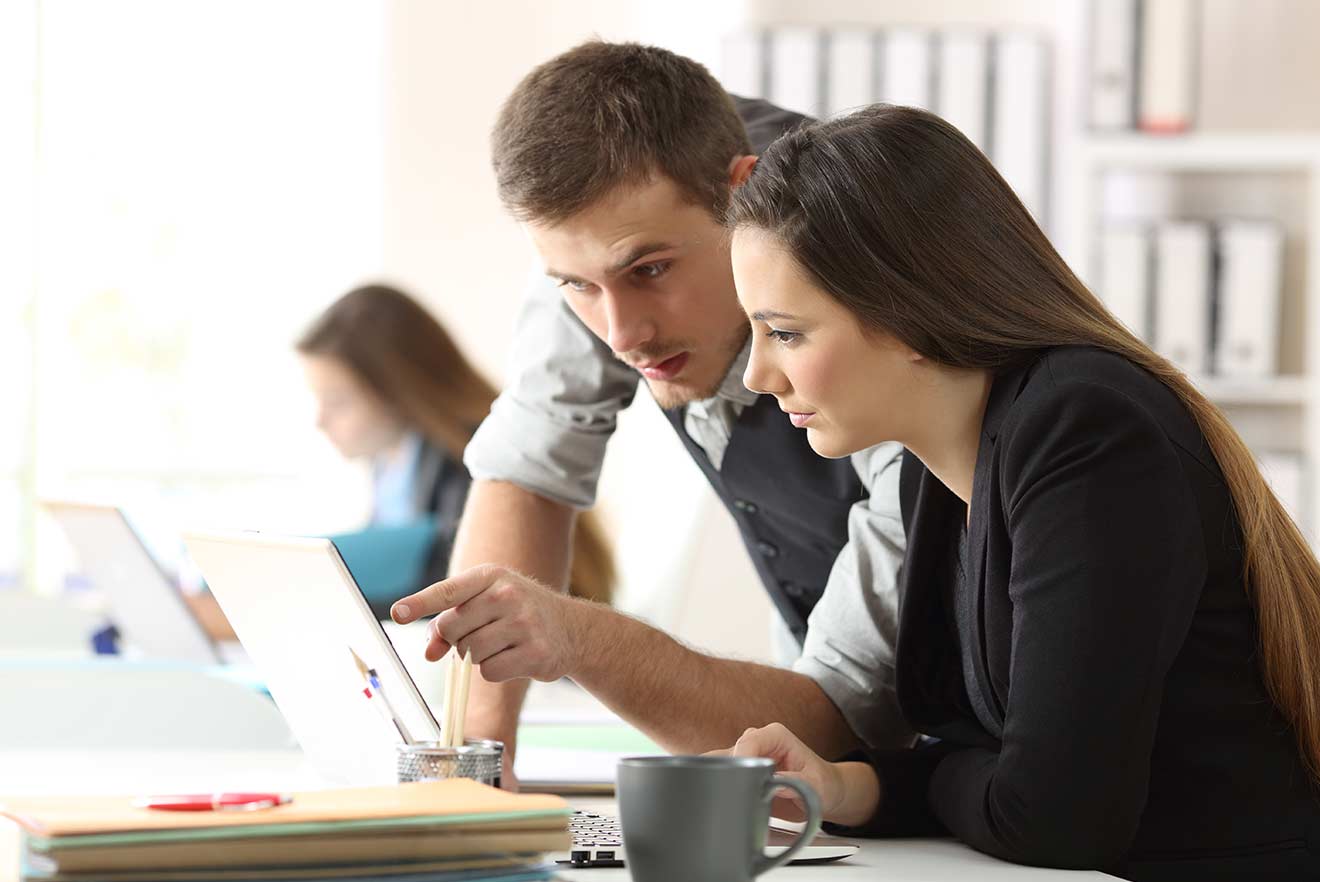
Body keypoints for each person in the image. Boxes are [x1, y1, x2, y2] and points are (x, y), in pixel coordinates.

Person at [718, 105, 1320, 879]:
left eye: (786, 333)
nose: (756, 377)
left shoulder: (1084, 430)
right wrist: (841, 785)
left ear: (905, 312)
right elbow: (985, 759)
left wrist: (943, 772)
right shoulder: (944, 460)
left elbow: (1054, 816)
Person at [390, 41, 916, 786]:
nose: (620, 333)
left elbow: (839, 720)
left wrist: (581, 639)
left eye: (650, 272)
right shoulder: (614, 233)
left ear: (747, 192)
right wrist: (477, 765)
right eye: (575, 284)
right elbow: (526, 469)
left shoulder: (888, 312)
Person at [296, 284, 615, 614]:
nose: (320, 420)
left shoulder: (474, 458)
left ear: (395, 392)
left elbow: (451, 590)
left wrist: (319, 607)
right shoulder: (392, 461)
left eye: (337, 401)